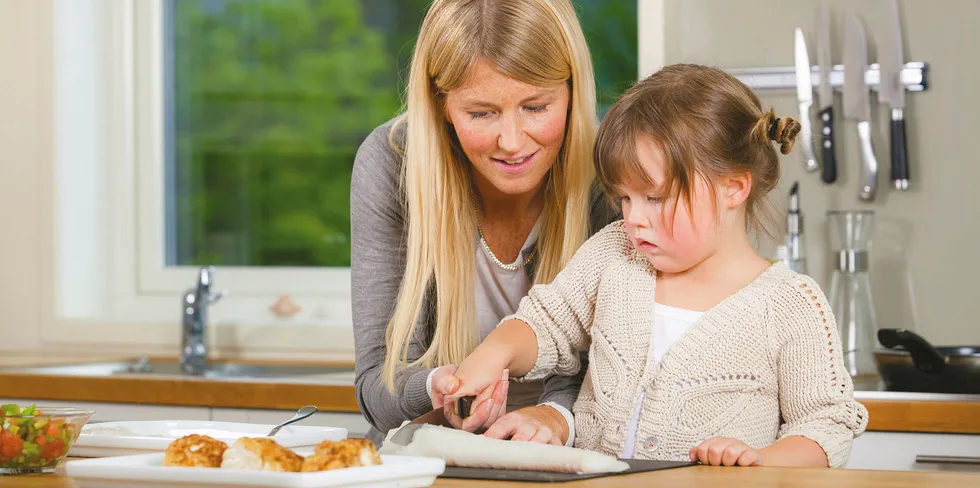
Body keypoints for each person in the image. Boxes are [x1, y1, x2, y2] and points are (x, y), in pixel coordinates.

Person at [446, 64, 869, 467]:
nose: (634, 218)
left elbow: (826, 426)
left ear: (734, 187)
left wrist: (758, 461)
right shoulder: (615, 254)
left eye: (655, 197)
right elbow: (546, 322)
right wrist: (496, 351)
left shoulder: (791, 305)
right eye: (624, 199)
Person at [350, 0, 618, 446]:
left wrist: (553, 415)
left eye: (536, 107)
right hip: (429, 457)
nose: (512, 142)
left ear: (572, 92)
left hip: (567, 453)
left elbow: (617, 366)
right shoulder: (390, 164)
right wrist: (437, 386)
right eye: (481, 113)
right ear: (441, 106)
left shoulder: (611, 175)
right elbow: (377, 388)